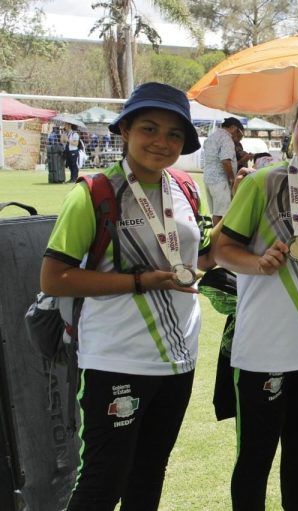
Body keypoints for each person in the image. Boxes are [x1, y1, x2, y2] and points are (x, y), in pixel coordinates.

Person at [39, 82, 216, 510]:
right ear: (125, 131)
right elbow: (54, 278)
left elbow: (201, 258)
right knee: (103, 483)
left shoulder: (185, 189)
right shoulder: (94, 193)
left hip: (179, 360)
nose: (162, 142)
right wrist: (139, 281)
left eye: (175, 134)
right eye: (149, 128)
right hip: (116, 358)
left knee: (149, 473)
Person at [214, 92, 298, 511]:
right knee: (254, 459)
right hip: (262, 350)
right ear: (293, 130)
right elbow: (221, 250)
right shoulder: (262, 182)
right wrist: (257, 263)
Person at [203, 116, 244, 225]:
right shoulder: (226, 138)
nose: (239, 138)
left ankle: (215, 237)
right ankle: (219, 239)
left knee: (217, 212)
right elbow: (225, 161)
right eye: (240, 134)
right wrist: (232, 179)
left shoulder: (212, 136)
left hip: (209, 179)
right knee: (224, 214)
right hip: (220, 181)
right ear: (234, 128)